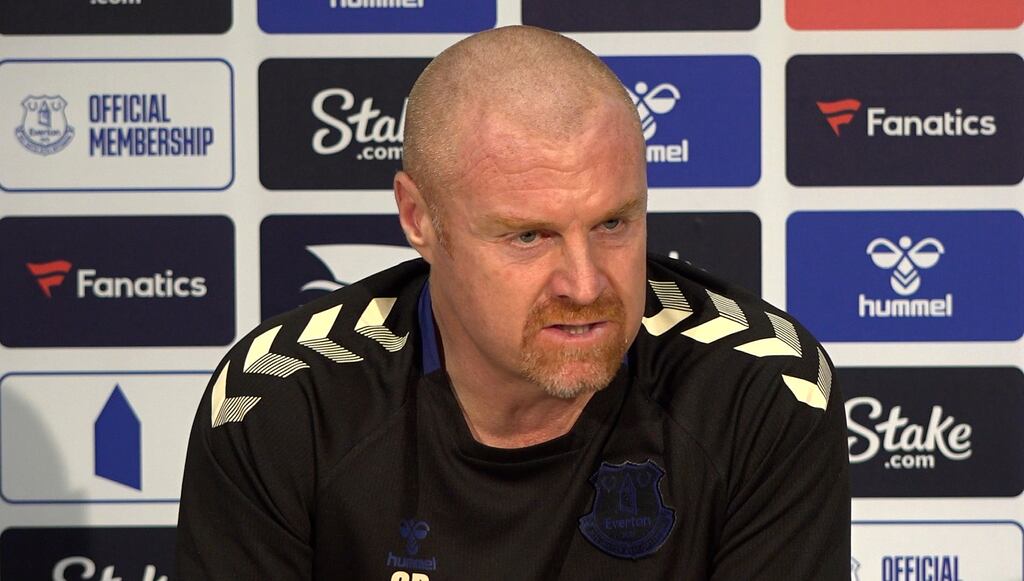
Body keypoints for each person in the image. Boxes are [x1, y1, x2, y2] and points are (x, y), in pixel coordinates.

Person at [177, 25, 850, 579]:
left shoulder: (762, 391)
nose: (585, 286)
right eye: (529, 235)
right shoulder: (280, 402)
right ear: (420, 219)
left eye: (614, 224)